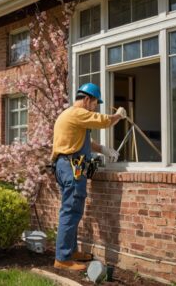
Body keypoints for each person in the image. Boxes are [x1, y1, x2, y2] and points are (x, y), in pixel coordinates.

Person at [51, 83, 126, 271]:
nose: (95, 107)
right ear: (86, 99)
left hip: (65, 165)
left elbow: (84, 141)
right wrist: (118, 115)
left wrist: (102, 149)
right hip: (71, 167)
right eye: (94, 103)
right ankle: (62, 259)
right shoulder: (77, 112)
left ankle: (70, 251)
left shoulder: (70, 115)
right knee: (71, 211)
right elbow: (103, 121)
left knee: (72, 210)